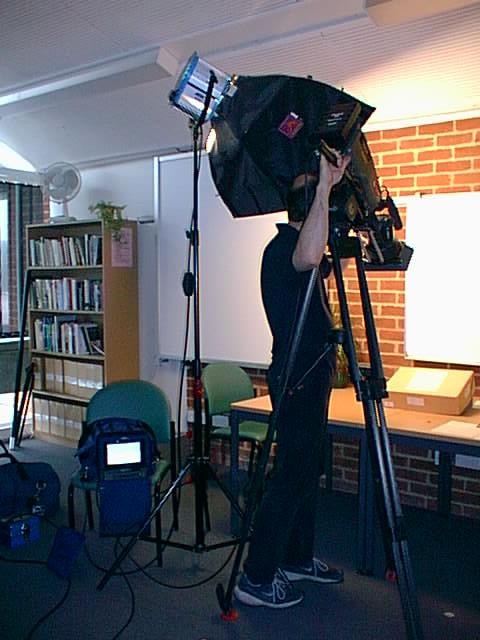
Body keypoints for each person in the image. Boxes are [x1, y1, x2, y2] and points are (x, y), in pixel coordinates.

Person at [234, 147, 351, 609]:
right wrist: (325, 187)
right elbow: (308, 256)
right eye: (321, 202)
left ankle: (298, 557)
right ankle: (256, 578)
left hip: (313, 374)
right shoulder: (284, 247)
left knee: (306, 471)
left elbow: (321, 261)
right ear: (307, 207)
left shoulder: (304, 248)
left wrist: (337, 215)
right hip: (297, 376)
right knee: (290, 476)